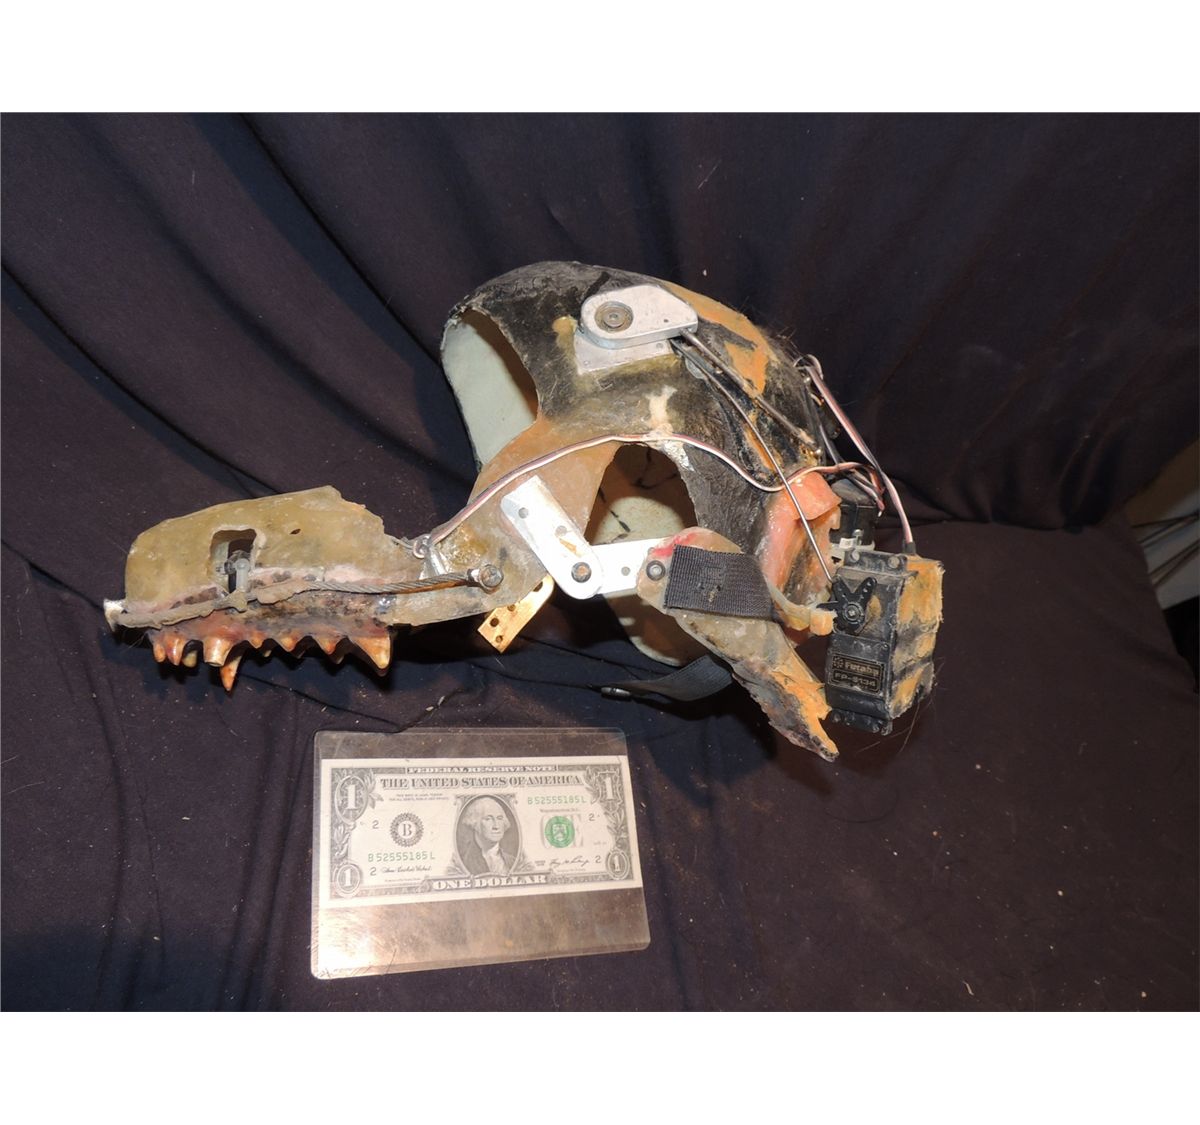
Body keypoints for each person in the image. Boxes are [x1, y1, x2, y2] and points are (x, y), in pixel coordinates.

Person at [458, 797, 517, 875]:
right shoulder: (462, 862)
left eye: (499, 818)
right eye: (488, 819)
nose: (496, 826)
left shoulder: (513, 861)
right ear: (474, 823)